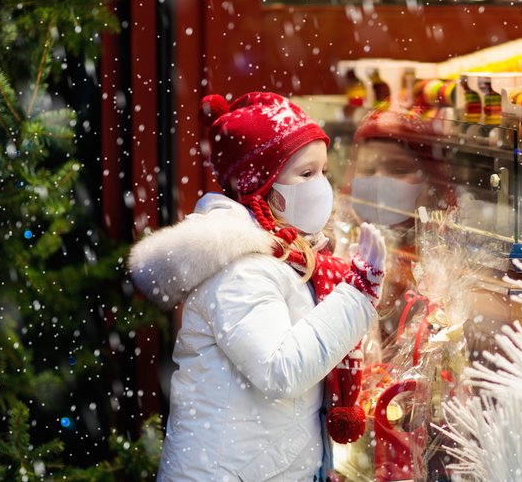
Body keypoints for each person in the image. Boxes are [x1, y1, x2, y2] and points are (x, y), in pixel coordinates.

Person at [128, 91, 386, 481]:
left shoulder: (287, 252)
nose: (321, 186)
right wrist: (355, 295)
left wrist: (317, 466)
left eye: (323, 172)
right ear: (260, 184)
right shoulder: (240, 268)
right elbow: (280, 371)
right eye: (306, 173)